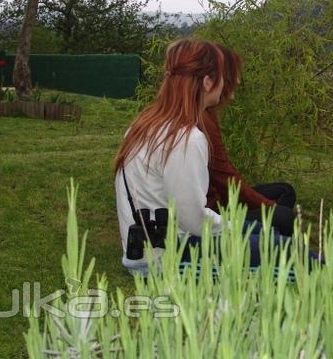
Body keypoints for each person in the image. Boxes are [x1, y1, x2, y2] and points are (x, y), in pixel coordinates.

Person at [113, 38, 292, 277]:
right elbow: (195, 222)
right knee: (288, 250)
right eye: (222, 76)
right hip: (167, 259)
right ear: (208, 83)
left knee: (266, 232)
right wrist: (233, 226)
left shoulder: (144, 125)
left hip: (143, 250)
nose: (231, 82)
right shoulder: (185, 137)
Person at [203, 44, 297, 236]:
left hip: (219, 199)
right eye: (233, 75)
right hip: (215, 209)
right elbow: (226, 181)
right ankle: (275, 247)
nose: (238, 80)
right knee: (284, 216)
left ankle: (270, 235)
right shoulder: (203, 121)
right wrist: (269, 207)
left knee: (285, 191)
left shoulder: (208, 114)